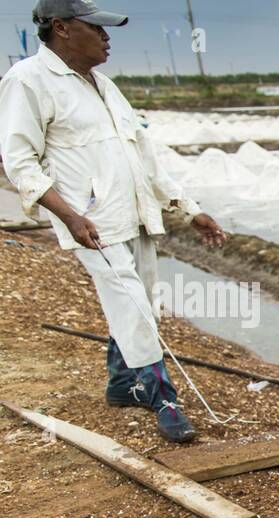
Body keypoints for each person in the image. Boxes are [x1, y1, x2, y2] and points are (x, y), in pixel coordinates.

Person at [0, 0, 227, 443]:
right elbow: (19, 161)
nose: (107, 38)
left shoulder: (104, 85)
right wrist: (68, 215)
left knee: (141, 299)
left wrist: (188, 208)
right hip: (92, 223)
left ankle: (123, 385)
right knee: (133, 307)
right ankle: (163, 397)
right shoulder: (28, 79)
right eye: (96, 29)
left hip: (135, 216)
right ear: (62, 28)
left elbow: (144, 156)